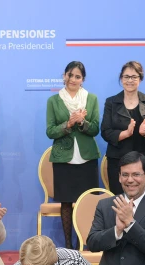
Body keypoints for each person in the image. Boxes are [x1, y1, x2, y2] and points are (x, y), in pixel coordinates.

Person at [46, 61, 101, 249]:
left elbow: (95, 129)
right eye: (70, 75)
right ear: (64, 76)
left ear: (83, 79)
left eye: (78, 76)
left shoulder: (91, 99)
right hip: (63, 159)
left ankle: (84, 244)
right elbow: (50, 132)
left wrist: (82, 122)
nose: (73, 79)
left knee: (86, 202)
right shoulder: (53, 101)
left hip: (87, 159)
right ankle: (69, 246)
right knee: (67, 203)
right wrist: (68, 124)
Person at [101, 61, 145, 195]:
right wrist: (125, 133)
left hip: (144, 160)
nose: (130, 80)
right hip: (117, 161)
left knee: (143, 204)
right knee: (120, 202)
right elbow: (105, 132)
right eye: (126, 77)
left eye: (134, 77)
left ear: (140, 79)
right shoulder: (111, 102)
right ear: (121, 78)